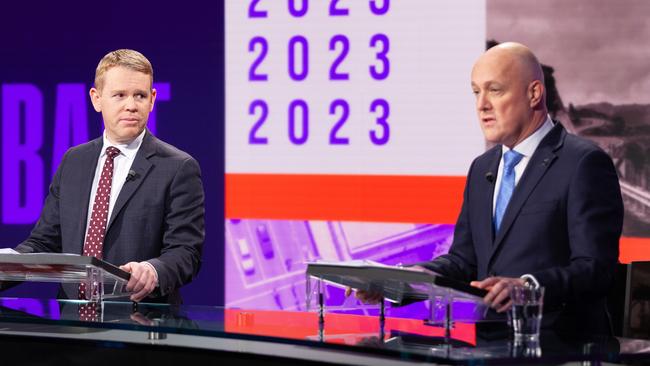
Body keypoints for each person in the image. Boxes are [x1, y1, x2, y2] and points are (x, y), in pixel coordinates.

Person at [350, 42, 623, 335]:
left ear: (534, 94)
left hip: (559, 346)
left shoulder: (583, 163)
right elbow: (463, 261)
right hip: (488, 345)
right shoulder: (482, 168)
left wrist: (528, 287)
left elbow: (596, 269)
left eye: (495, 90)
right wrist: (407, 279)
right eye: (476, 92)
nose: (481, 105)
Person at [12, 49, 205, 304]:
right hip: (73, 324)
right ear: (97, 98)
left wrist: (153, 270)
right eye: (120, 95)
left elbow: (186, 251)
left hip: (140, 324)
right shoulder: (74, 161)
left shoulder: (178, 167)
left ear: (152, 99)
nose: (131, 105)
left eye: (140, 95)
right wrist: (8, 265)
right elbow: (45, 241)